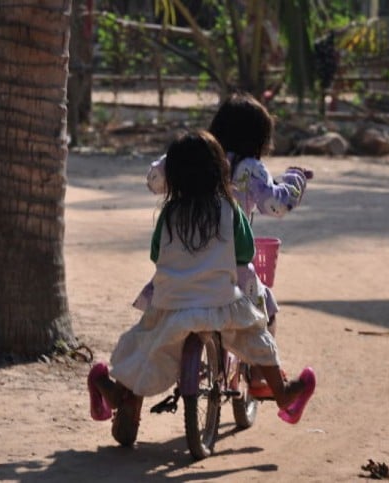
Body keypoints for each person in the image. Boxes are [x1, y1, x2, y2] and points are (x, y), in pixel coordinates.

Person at [88, 130, 316, 447]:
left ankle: (118, 395)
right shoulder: (230, 210)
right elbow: (245, 253)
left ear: (176, 175)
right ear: (219, 170)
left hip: (170, 304)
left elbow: (156, 255)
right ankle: (282, 392)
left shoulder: (168, 213)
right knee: (256, 337)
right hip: (220, 304)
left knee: (146, 351)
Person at [145, 92, 312, 398]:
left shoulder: (194, 157)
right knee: (266, 312)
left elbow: (155, 179)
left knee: (154, 319)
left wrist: (172, 160)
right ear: (259, 138)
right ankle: (261, 376)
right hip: (230, 267)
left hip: (184, 261)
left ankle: (133, 397)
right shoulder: (251, 169)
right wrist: (295, 180)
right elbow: (276, 206)